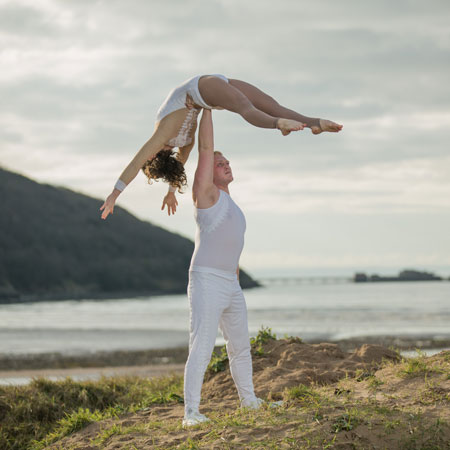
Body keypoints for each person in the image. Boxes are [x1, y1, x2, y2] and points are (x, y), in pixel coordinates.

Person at [100, 74, 342, 219]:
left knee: (250, 109)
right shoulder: (178, 143)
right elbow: (179, 163)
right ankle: (314, 123)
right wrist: (171, 192)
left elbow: (135, 163)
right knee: (269, 104)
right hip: (208, 87)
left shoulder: (162, 135)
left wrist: (114, 195)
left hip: (202, 89)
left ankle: (279, 124)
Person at [182, 108, 264, 427]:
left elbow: (231, 245)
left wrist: (236, 277)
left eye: (227, 161)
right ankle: (191, 412)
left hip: (231, 284)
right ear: (208, 172)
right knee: (201, 346)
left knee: (240, 346)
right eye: (219, 164)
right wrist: (208, 108)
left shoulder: (233, 205)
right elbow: (205, 149)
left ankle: (249, 402)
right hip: (206, 281)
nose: (225, 164)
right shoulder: (207, 196)